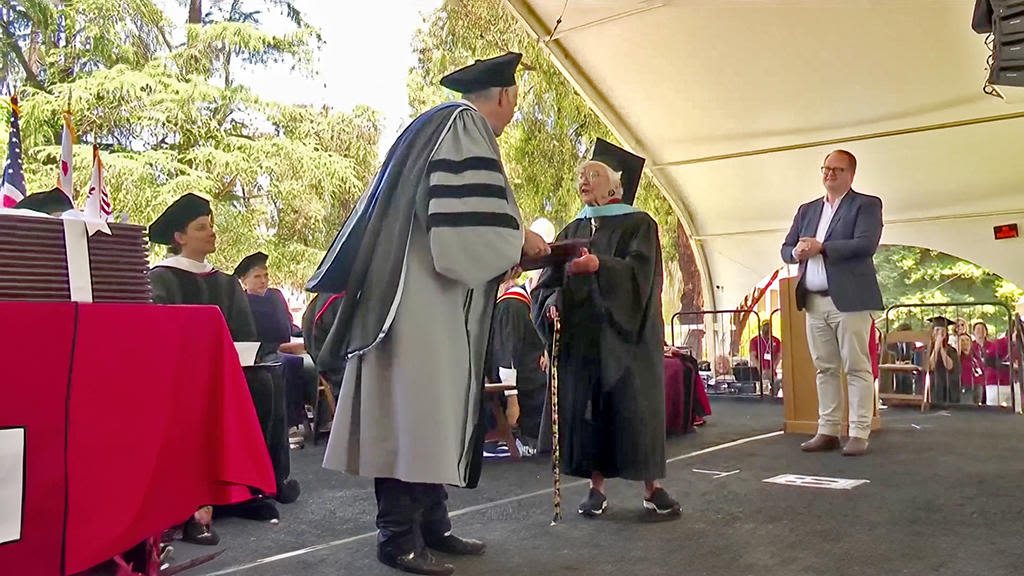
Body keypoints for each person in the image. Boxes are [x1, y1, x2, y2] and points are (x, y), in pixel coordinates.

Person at [306, 52, 549, 576]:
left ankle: (431, 525)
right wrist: (519, 241)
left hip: (416, 300)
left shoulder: (430, 127)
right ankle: (397, 538)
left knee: (426, 418)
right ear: (504, 97)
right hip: (420, 306)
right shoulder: (463, 127)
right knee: (412, 419)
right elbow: (464, 236)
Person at [532, 138, 681, 519]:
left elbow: (642, 276)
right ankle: (595, 489)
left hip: (629, 338)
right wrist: (550, 307)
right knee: (590, 412)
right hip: (585, 341)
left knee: (635, 411)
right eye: (582, 175)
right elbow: (548, 284)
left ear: (615, 186)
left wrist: (600, 266)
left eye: (593, 175)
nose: (584, 180)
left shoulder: (639, 223)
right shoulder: (572, 227)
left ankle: (652, 488)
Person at [148, 194, 295, 545]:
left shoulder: (226, 282)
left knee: (264, 380)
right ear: (179, 237)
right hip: (179, 378)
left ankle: (250, 487)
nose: (212, 233)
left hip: (227, 373)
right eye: (202, 227)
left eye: (211, 225)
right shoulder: (160, 279)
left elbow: (244, 333)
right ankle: (194, 504)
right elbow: (160, 336)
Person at [781, 150, 883, 457]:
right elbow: (786, 248)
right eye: (826, 169)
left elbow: (866, 244)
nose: (829, 174)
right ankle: (827, 430)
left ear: (852, 174)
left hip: (850, 300)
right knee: (824, 368)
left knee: (856, 367)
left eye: (837, 170)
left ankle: (859, 431)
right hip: (814, 300)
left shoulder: (866, 204)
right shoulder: (807, 209)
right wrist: (796, 253)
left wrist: (823, 247)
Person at [234, 252, 314, 444]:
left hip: (288, 345)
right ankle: (290, 424)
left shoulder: (276, 296)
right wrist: (283, 347)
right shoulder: (242, 304)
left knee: (317, 360)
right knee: (290, 363)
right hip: (262, 352)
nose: (263, 281)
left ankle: (323, 415)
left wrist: (306, 336)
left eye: (265, 276)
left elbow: (288, 325)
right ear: (244, 281)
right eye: (257, 277)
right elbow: (247, 336)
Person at [487, 267, 546, 452]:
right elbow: (505, 354)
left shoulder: (536, 303)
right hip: (518, 384)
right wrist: (512, 401)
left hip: (532, 374)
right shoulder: (512, 304)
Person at [925, 317, 959, 405]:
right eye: (937, 330)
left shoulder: (951, 350)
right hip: (931, 389)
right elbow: (930, 367)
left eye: (943, 331)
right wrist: (936, 348)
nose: (940, 333)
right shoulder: (925, 349)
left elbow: (950, 366)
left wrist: (941, 348)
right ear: (932, 332)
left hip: (948, 389)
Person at [748, 321, 782, 396]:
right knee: (762, 388)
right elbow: (752, 356)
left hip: (772, 371)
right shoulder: (755, 341)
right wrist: (759, 367)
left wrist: (774, 366)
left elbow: (779, 355)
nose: (767, 329)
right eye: (765, 326)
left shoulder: (776, 340)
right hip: (759, 372)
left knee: (776, 384)